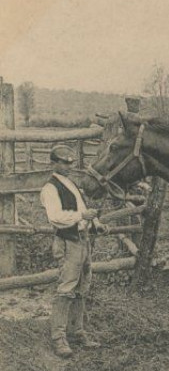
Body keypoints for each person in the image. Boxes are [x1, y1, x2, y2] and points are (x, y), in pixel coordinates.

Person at [39, 145, 105, 358]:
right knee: (67, 287)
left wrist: (96, 222)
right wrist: (83, 217)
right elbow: (56, 217)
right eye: (64, 162)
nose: (68, 166)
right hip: (68, 242)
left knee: (82, 286)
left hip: (82, 239)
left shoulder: (71, 184)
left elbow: (81, 209)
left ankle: (77, 332)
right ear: (53, 163)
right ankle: (59, 338)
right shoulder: (50, 188)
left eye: (70, 162)